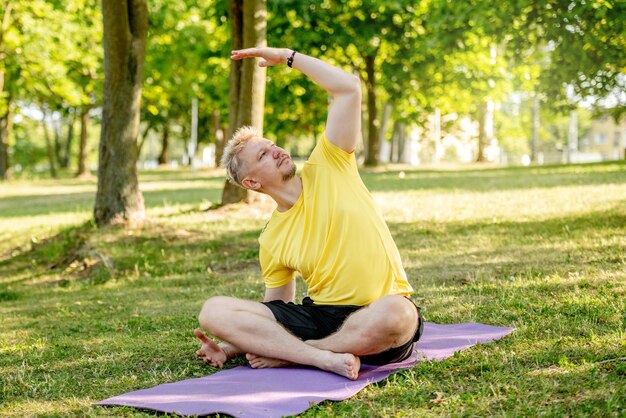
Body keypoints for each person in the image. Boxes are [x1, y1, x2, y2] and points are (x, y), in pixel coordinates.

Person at [195, 47, 423, 380]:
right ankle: (320, 356)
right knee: (213, 310)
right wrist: (230, 346)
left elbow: (348, 88)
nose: (275, 150)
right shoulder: (272, 238)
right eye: (263, 154)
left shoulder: (330, 164)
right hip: (322, 317)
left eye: (271, 144)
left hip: (377, 313)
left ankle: (302, 356)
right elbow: (276, 312)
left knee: (399, 314)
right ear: (252, 181)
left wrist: (288, 57)